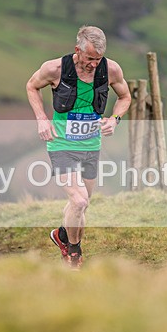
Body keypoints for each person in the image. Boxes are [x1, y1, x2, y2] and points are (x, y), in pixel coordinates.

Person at [26, 25, 131, 269]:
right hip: (61, 144)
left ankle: (62, 235)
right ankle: (73, 254)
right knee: (80, 200)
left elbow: (126, 97)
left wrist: (114, 120)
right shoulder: (55, 68)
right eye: (89, 58)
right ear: (77, 50)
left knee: (82, 203)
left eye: (98, 59)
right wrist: (41, 118)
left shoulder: (111, 69)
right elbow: (31, 86)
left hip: (91, 146)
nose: (94, 64)